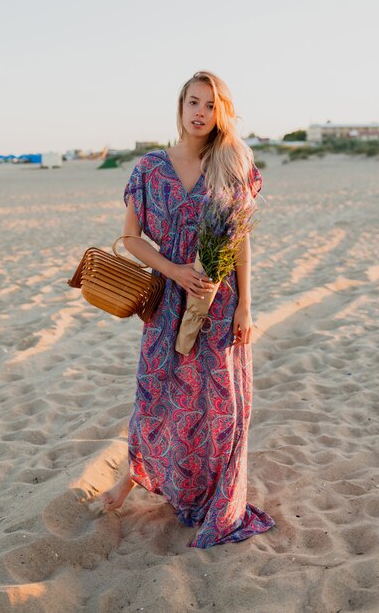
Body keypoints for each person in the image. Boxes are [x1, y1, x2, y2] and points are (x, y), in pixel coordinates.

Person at [100, 70, 276, 548]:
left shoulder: (231, 165)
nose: (200, 112)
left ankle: (216, 495)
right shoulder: (150, 169)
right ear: (179, 108)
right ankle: (131, 479)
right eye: (193, 102)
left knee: (220, 405)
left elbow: (239, 243)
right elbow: (130, 239)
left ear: (221, 113)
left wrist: (245, 307)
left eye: (210, 105)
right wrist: (175, 270)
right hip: (168, 299)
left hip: (219, 304)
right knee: (157, 393)